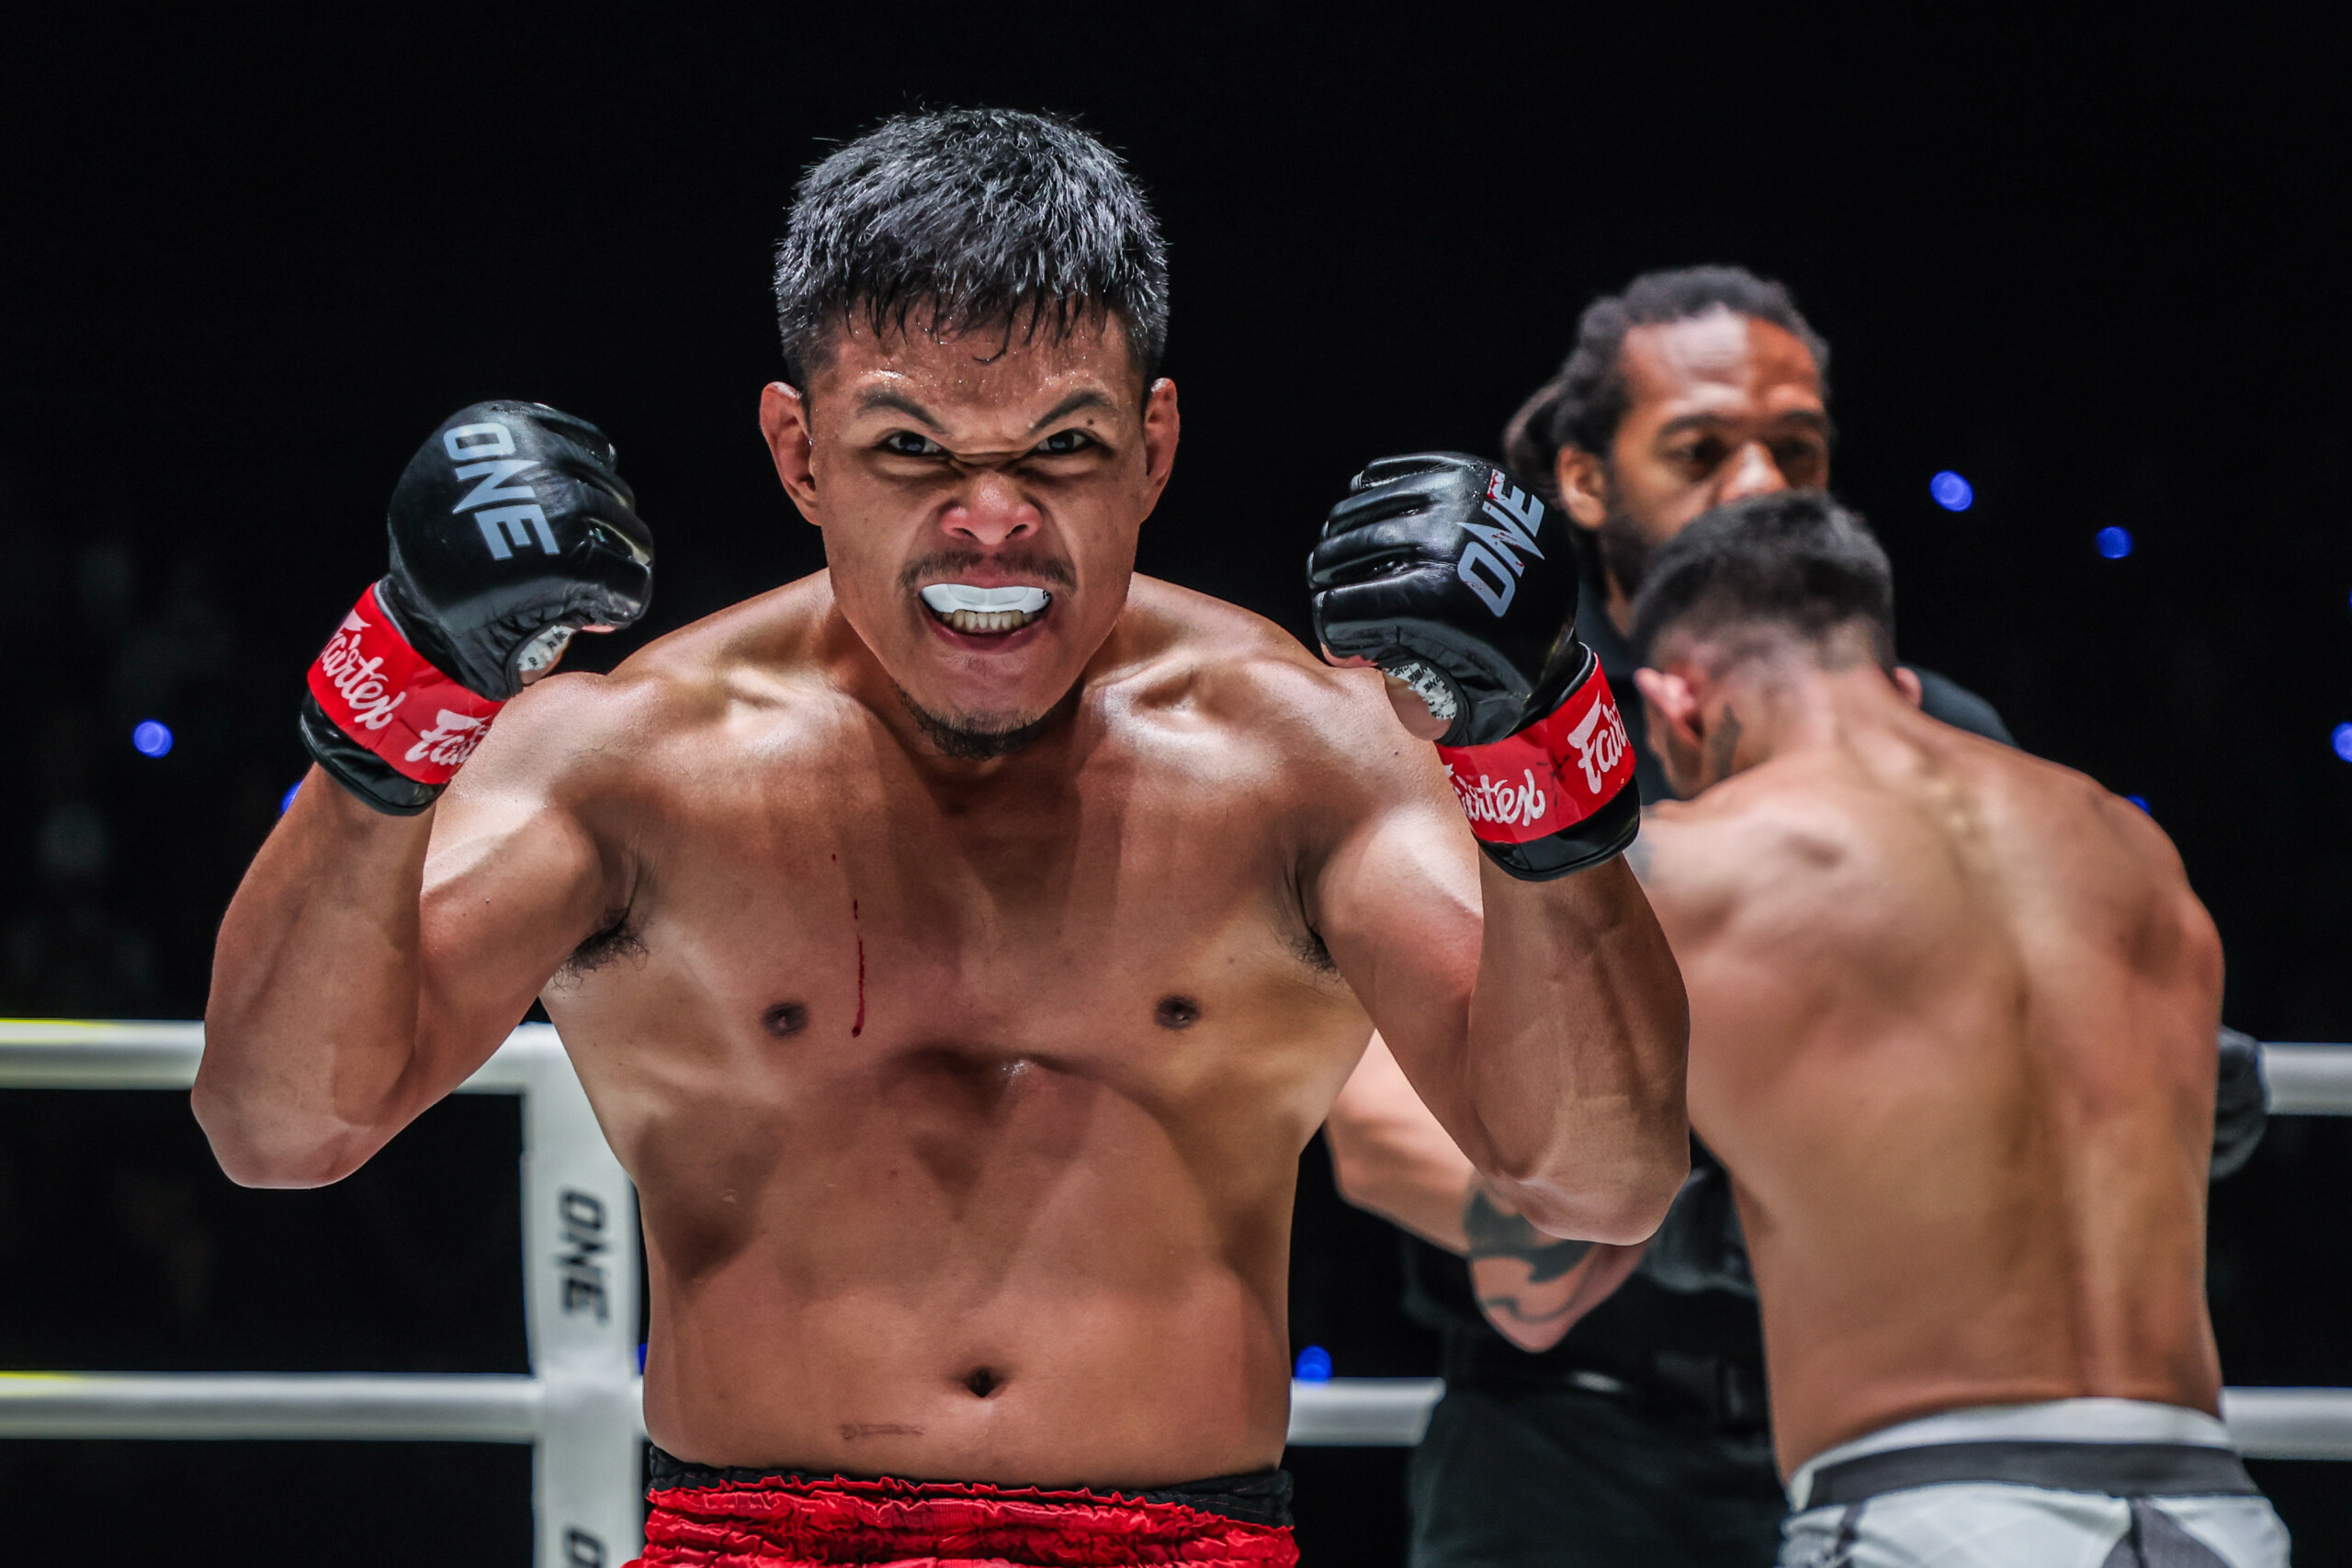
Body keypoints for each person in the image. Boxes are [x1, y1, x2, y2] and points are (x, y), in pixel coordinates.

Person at [191, 109, 1691, 1567]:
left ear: (1154, 447)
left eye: (1061, 447)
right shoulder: (630, 760)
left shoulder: (1310, 757)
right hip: (750, 1542)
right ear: (800, 452)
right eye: (911, 446)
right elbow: (279, 1127)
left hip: (1185, 1540)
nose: (991, 522)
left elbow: (1598, 1179)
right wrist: (400, 684)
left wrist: (1537, 736)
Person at [1323, 265, 2266, 1568]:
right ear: (1584, 478)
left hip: (1879, 1431)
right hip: (1583, 1444)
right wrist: (1682, 1230)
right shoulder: (1476, 717)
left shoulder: (1951, 735)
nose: (1762, 482)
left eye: (1798, 447)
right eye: (1701, 448)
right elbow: (1375, 1117)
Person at [1616, 491, 2285, 1565]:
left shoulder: (1685, 863)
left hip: (1925, 1506)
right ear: (1900, 684)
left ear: (1674, 704)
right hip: (2204, 1508)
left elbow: (1529, 1144)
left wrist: (1669, 1228)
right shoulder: (2128, 846)